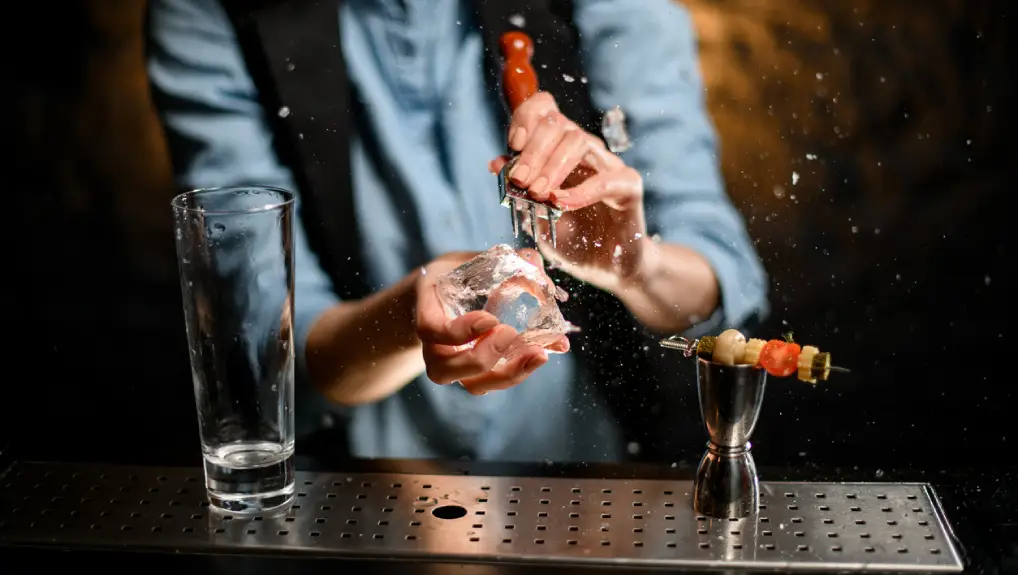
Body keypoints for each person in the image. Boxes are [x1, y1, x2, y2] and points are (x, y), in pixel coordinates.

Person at [145, 0, 768, 462]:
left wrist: (638, 266)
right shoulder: (207, 13)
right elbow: (272, 358)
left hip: (597, 475)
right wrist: (409, 319)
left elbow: (723, 276)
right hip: (347, 492)